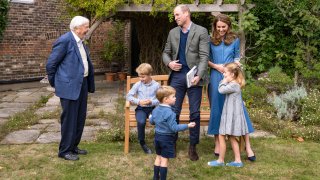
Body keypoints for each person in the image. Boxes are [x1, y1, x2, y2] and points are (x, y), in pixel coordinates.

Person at [162, 4, 210, 161]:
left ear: (186, 13)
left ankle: (193, 146)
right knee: (173, 111)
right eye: (174, 15)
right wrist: (169, 63)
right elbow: (165, 53)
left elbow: (204, 56)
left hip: (194, 78)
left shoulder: (201, 31)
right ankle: (172, 143)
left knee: (194, 113)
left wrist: (199, 74)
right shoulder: (173, 32)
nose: (175, 18)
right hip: (177, 77)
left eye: (177, 15)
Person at [207, 14, 255, 161]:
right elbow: (206, 59)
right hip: (216, 76)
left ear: (228, 26)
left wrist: (235, 65)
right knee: (217, 108)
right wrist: (217, 66)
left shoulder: (234, 39)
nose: (221, 29)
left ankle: (247, 146)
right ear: (215, 26)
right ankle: (217, 142)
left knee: (239, 109)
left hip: (231, 77)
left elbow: (236, 57)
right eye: (218, 27)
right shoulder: (210, 40)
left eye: (224, 27)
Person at [46, 16, 95, 161]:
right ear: (77, 28)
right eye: (86, 27)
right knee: (69, 119)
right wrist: (57, 83)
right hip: (69, 86)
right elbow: (51, 65)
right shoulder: (65, 40)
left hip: (82, 84)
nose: (87, 29)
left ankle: (73, 146)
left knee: (80, 118)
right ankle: (64, 151)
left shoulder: (80, 41)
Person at [150, 86, 196, 179]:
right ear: (166, 99)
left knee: (158, 157)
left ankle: (155, 178)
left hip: (157, 137)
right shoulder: (170, 113)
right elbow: (174, 128)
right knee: (164, 160)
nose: (176, 98)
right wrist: (187, 125)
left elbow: (152, 122)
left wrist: (151, 116)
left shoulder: (155, 110)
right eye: (173, 96)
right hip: (167, 139)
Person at [208, 62, 248, 167]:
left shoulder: (234, 85)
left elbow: (220, 90)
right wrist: (226, 80)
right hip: (230, 115)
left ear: (233, 75)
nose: (223, 75)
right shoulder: (234, 84)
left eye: (225, 73)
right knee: (231, 137)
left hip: (231, 116)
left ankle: (220, 161)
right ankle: (238, 161)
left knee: (221, 135)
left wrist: (223, 81)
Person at [126, 63, 160, 154]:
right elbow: (128, 96)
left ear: (149, 75)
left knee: (159, 120)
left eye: (143, 77)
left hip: (153, 109)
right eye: (139, 77)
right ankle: (142, 142)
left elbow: (160, 99)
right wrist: (138, 102)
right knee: (141, 122)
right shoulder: (138, 84)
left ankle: (157, 141)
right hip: (141, 109)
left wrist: (151, 102)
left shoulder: (156, 85)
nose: (141, 79)